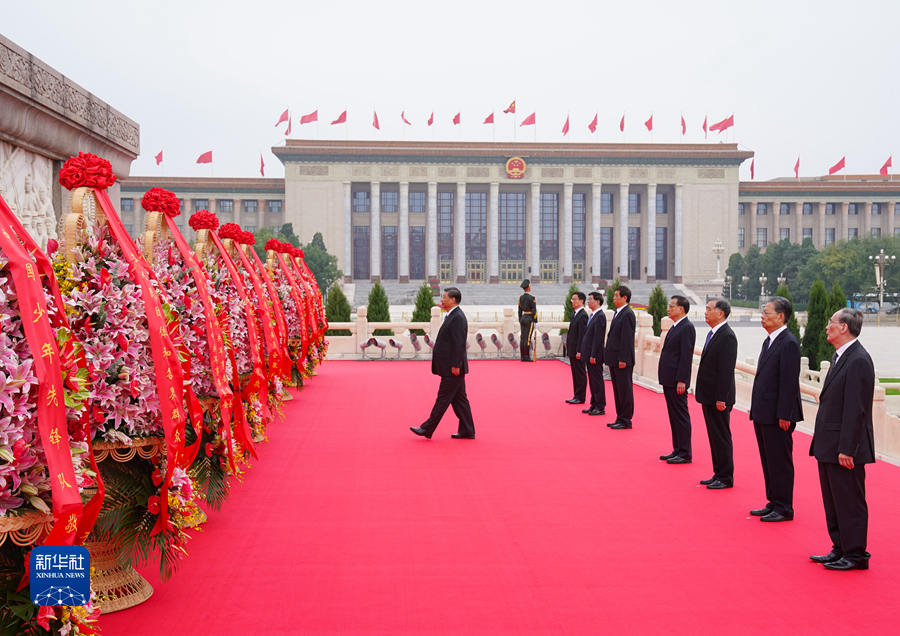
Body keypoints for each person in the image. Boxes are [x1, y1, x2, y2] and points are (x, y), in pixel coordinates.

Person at [809, 308, 875, 570]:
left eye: (831, 322)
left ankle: (855, 554)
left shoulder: (858, 359)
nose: (827, 327)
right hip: (829, 444)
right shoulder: (840, 357)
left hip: (846, 447)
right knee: (833, 501)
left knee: (849, 501)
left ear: (844, 327)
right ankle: (840, 547)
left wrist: (847, 448)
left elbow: (856, 409)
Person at [748, 297, 803, 522]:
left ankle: (784, 507)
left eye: (767, 313)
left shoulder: (788, 342)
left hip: (778, 415)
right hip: (764, 411)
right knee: (768, 459)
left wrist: (784, 414)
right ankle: (773, 501)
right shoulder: (769, 341)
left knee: (780, 461)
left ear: (781, 317)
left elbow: (789, 382)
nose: (762, 317)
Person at [410, 287, 476, 440]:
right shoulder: (451, 315)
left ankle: (427, 428)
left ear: (453, 300)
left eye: (445, 297)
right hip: (451, 366)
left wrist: (456, 365)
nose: (442, 300)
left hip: (453, 368)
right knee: (460, 400)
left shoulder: (458, 317)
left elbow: (459, 343)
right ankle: (467, 430)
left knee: (443, 399)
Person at [695, 298, 738, 490]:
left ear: (720, 313)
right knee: (714, 436)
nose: (705, 312)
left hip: (719, 398)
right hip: (708, 395)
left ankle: (726, 476)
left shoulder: (727, 336)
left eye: (709, 309)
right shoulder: (713, 333)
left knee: (721, 436)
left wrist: (721, 397)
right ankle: (718, 473)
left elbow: (725, 370)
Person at [658, 295, 696, 464]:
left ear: (681, 309)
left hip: (676, 380)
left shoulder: (686, 327)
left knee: (680, 415)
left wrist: (682, 380)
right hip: (669, 378)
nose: (668, 309)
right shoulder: (675, 326)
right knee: (673, 415)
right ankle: (677, 449)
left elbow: (686, 356)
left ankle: (685, 452)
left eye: (672, 306)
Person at [604, 286, 635, 429]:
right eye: (614, 296)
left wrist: (624, 359)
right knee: (618, 390)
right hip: (614, 358)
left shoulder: (628, 314)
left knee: (624, 390)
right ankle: (620, 417)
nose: (614, 298)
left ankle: (626, 419)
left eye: (617, 296)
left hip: (622, 360)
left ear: (625, 298)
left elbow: (627, 339)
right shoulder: (618, 313)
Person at [579, 291, 607, 416]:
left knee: (597, 380)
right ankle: (594, 404)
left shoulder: (600, 316)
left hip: (594, 355)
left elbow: (598, 338)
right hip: (589, 353)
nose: (588, 301)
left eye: (590, 299)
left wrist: (593, 355)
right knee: (592, 380)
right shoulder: (592, 315)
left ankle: (600, 406)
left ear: (598, 301)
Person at [565, 291, 588, 404]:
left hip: (578, 350)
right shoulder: (575, 314)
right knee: (575, 373)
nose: (572, 301)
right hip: (572, 349)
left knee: (580, 373)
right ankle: (576, 395)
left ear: (581, 301)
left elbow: (582, 335)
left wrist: (580, 350)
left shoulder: (583, 315)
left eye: (574, 299)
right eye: (572, 299)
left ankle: (580, 396)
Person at [518, 279, 537, 362]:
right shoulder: (532, 298)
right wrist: (535, 321)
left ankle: (522, 356)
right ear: (528, 287)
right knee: (528, 338)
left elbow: (519, 311)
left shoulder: (520, 298)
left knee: (522, 337)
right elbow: (534, 311)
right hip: (529, 319)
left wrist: (520, 320)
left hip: (523, 318)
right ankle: (526, 356)